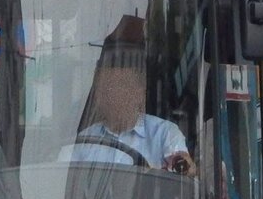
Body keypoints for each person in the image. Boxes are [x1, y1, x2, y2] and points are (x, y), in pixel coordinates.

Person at [67, 16, 196, 176]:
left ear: (139, 92)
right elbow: (64, 182)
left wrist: (185, 166)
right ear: (99, 94)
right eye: (109, 86)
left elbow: (184, 171)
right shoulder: (84, 141)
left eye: (123, 85)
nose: (116, 93)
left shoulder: (164, 134)